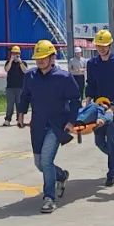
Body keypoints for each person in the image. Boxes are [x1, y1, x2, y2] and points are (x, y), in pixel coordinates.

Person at [16, 39, 80, 214]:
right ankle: (61, 175)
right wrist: (21, 114)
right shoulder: (30, 76)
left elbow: (75, 100)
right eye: (38, 58)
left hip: (56, 126)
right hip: (37, 125)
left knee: (46, 160)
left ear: (52, 57)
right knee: (39, 163)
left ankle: (49, 198)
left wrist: (71, 121)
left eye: (44, 57)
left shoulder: (64, 77)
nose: (40, 61)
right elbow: (25, 97)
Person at [85, 29, 114, 187]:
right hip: (98, 107)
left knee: (112, 139)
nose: (101, 48)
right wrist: (88, 100)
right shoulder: (92, 64)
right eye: (98, 45)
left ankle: (112, 173)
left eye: (104, 45)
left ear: (110, 45)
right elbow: (91, 84)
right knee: (99, 141)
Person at [3, 45, 28, 126]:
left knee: (19, 104)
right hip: (10, 87)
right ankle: (7, 119)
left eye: (17, 53)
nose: (15, 55)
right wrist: (11, 60)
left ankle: (19, 120)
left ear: (19, 54)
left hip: (20, 87)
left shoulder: (23, 63)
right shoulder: (8, 62)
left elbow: (25, 71)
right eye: (13, 53)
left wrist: (20, 62)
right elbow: (6, 69)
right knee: (10, 105)